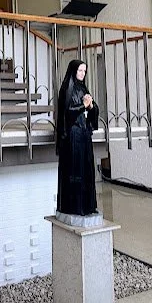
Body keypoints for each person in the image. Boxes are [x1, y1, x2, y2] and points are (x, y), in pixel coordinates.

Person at [56, 59, 99, 216]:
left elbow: (91, 108)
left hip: (84, 133)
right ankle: (74, 207)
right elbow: (67, 112)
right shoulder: (67, 88)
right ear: (74, 71)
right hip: (73, 136)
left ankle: (87, 205)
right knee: (75, 171)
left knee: (87, 168)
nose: (82, 74)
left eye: (84, 71)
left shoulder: (83, 88)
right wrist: (84, 106)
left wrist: (92, 107)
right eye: (80, 71)